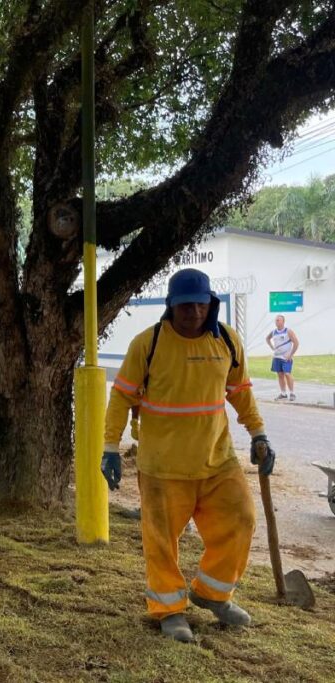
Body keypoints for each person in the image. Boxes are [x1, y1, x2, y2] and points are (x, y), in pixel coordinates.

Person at [101, 268, 275, 643]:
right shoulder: (148, 344)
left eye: (199, 304)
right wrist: (110, 448)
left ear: (210, 303)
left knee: (241, 519)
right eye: (184, 306)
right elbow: (121, 397)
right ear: (170, 306)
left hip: (217, 460)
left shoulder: (227, 341)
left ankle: (212, 594)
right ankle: (169, 611)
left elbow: (240, 390)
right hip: (163, 467)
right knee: (161, 542)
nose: (192, 312)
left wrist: (258, 433)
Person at [266, 315, 299, 401]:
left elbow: (296, 343)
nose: (277, 322)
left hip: (286, 357)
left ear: (283, 322)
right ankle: (283, 393)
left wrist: (291, 354)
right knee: (280, 375)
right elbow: (267, 338)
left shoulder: (288, 331)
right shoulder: (273, 332)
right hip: (277, 357)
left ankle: (292, 393)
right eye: (276, 320)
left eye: (278, 320)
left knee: (287, 374)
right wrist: (272, 347)